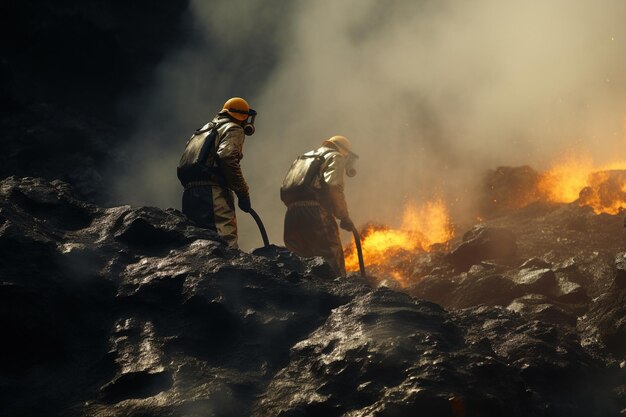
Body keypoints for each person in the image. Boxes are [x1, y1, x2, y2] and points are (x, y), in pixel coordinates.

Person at [180, 97, 257, 248]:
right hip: (213, 193)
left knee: (196, 243)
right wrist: (243, 193)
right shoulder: (234, 128)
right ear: (242, 117)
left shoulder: (203, 130)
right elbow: (227, 157)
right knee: (223, 243)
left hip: (190, 194)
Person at [281, 135, 358, 277]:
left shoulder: (304, 157)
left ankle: (302, 296)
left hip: (291, 214)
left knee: (299, 260)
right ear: (344, 151)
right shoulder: (336, 156)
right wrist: (343, 216)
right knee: (330, 255)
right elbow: (333, 187)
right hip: (315, 212)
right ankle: (339, 294)